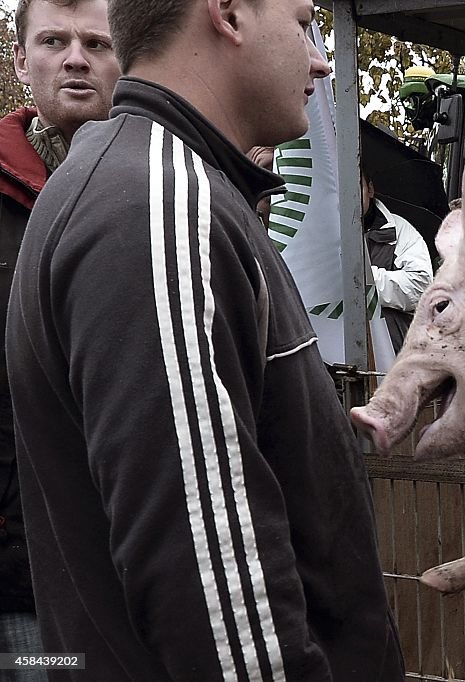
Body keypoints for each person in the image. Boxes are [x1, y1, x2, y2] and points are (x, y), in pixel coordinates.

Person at [5, 0, 404, 679]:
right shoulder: (158, 206)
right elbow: (215, 597)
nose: (317, 57)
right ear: (228, 13)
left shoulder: (165, 185)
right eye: (302, 20)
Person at [1, 0, 119, 671]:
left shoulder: (168, 191)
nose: (75, 57)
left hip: (137, 563)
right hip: (19, 582)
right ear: (21, 60)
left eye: (96, 43)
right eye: (52, 40)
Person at [361, 166, 433, 352]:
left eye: (355, 187)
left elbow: (420, 287)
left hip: (390, 351)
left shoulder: (400, 230)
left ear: (369, 189)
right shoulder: (321, 234)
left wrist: (364, 279)